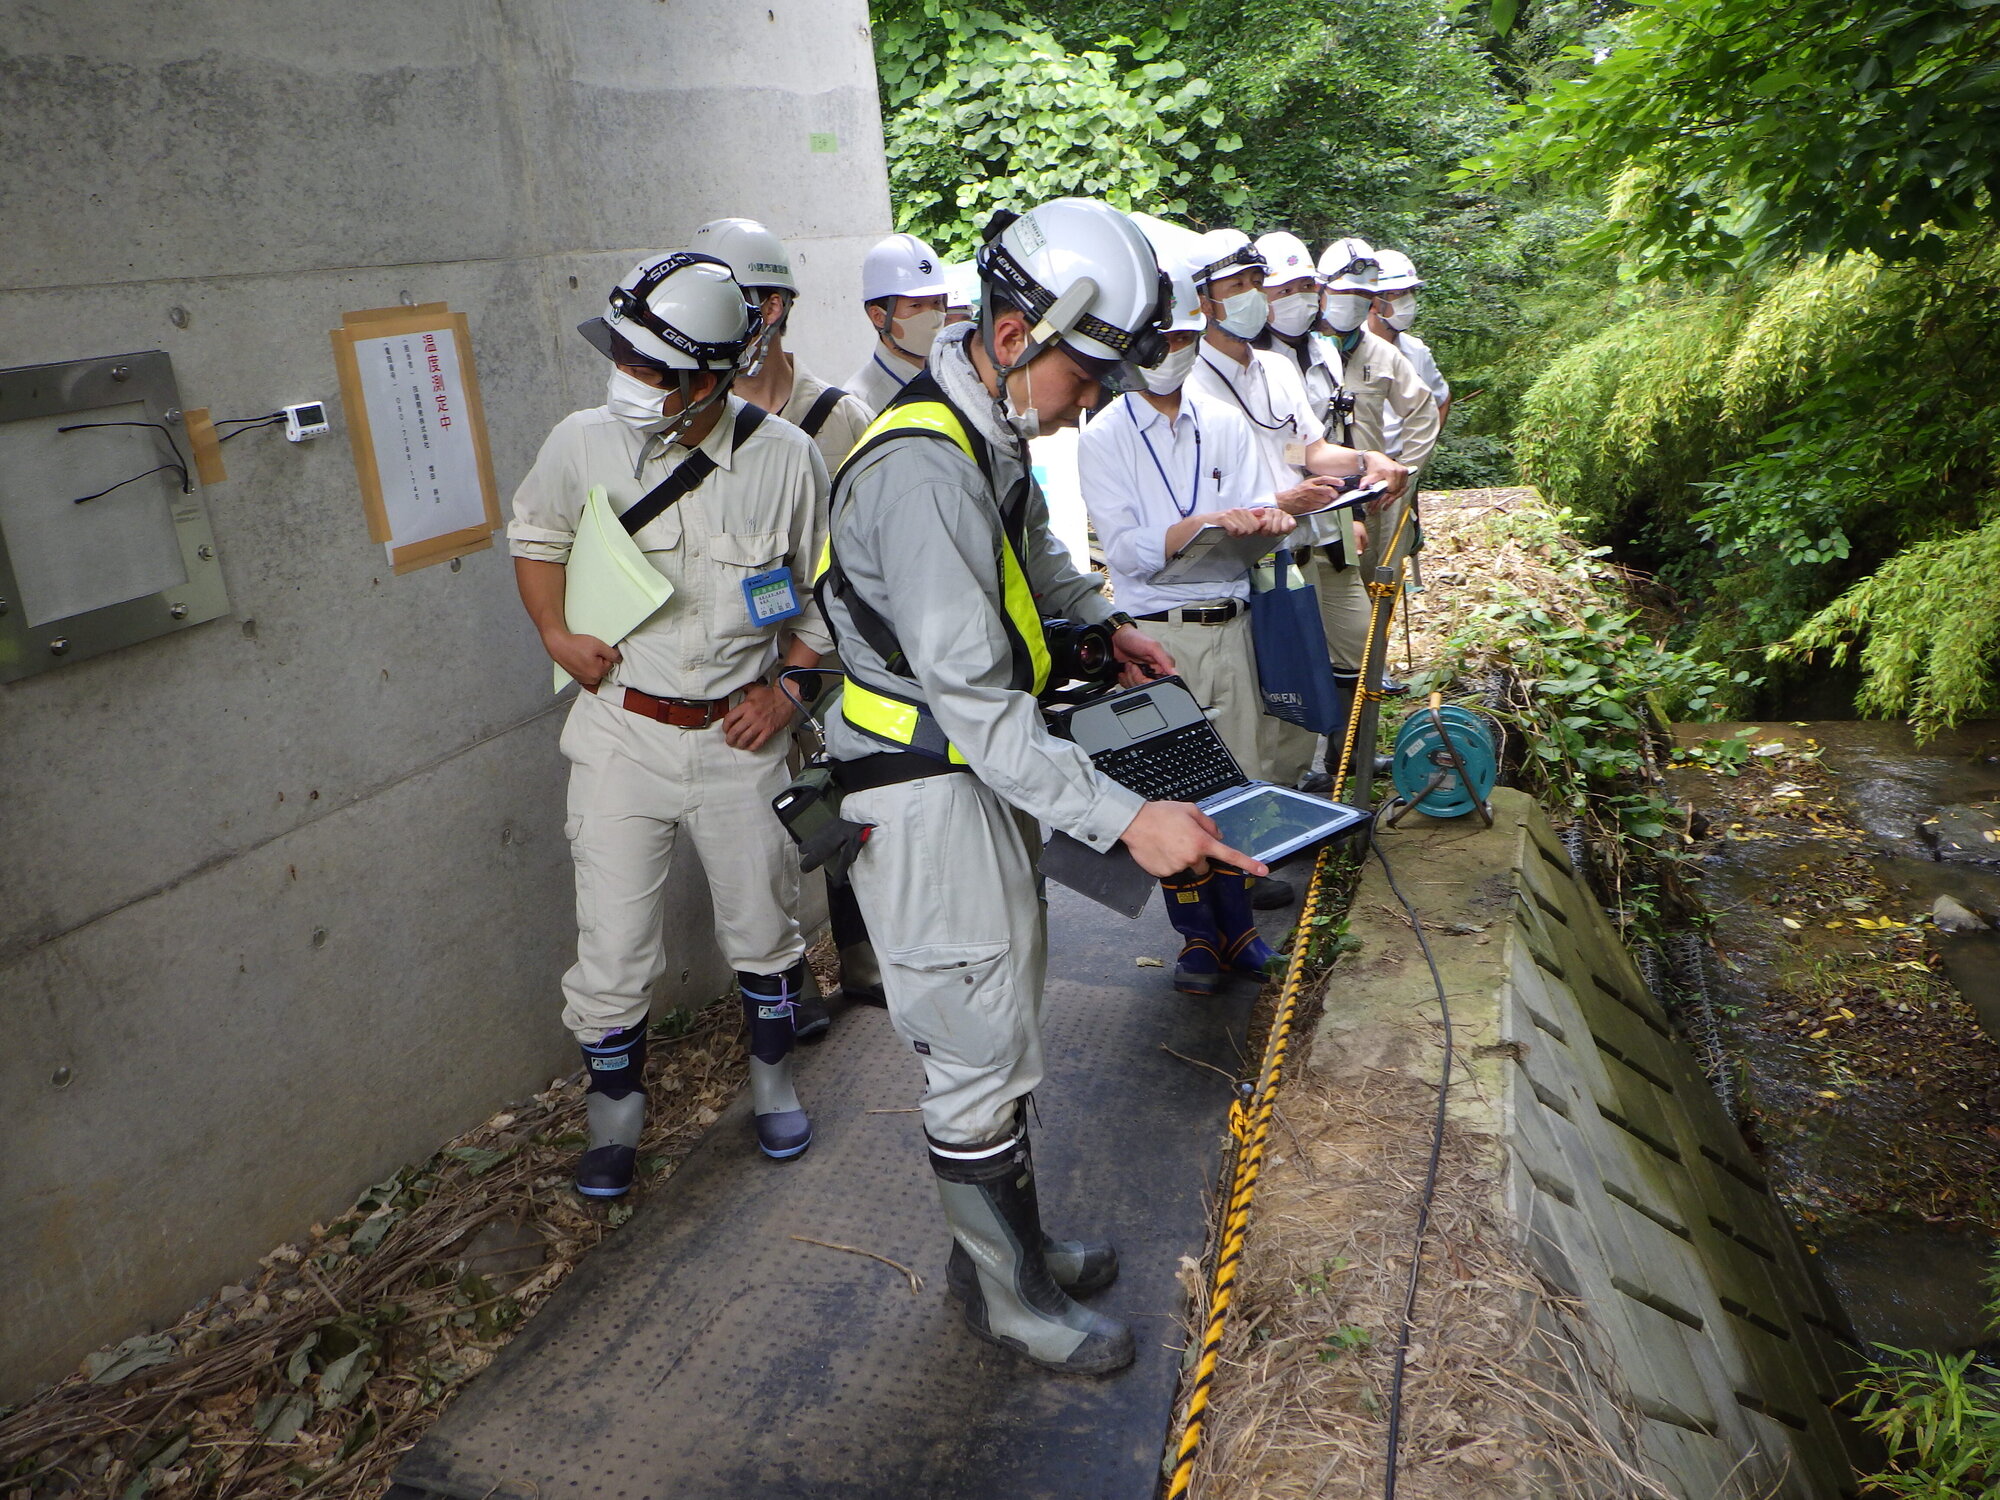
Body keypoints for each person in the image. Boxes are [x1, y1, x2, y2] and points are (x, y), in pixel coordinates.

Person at [820, 197, 1269, 1376]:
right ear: (1020, 332)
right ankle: (1008, 1301)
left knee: (1000, 1028)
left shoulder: (982, 432)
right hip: (924, 788)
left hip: (970, 777)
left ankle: (1011, 1252)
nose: (1099, 402)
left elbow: (1030, 557)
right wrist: (1129, 820)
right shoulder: (918, 470)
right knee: (972, 1046)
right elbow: (972, 703)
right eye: (1092, 372)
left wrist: (1099, 623)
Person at [508, 252, 831, 1191]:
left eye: (655, 371)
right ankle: (615, 1123)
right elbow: (538, 540)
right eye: (628, 358)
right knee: (611, 950)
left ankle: (772, 1086)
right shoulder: (580, 442)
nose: (631, 381)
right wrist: (556, 633)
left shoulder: (787, 462)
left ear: (715, 378)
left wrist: (790, 691)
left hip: (742, 739)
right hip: (620, 736)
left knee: (765, 932)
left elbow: (816, 610)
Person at [1077, 244, 1315, 996]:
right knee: (1175, 786)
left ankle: (1240, 931)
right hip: (1158, 634)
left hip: (1230, 622)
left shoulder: (1223, 423)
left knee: (1238, 781)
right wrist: (1196, 528)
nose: (1172, 354)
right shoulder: (1103, 436)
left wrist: (1251, 522)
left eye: (1183, 340)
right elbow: (1125, 552)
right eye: (1160, 343)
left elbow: (1255, 512)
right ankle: (1195, 940)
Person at [690, 216, 883, 1028]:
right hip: (743, 663)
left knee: (853, 800)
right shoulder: (694, 422)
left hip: (838, 655)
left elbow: (873, 543)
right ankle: (790, 984)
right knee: (766, 829)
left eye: (762, 300)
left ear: (782, 307)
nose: (752, 317)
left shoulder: (843, 416)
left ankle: (868, 960)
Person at [1181, 228, 1408, 791]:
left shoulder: (1276, 370)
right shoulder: (1187, 384)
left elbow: (1310, 450)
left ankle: (1309, 803)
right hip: (1242, 568)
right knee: (1262, 708)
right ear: (1202, 301)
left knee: (1300, 707)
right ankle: (1264, 835)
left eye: (1256, 282)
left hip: (1304, 552)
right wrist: (1280, 500)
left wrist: (1365, 459)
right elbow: (1197, 502)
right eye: (1236, 285)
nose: (1251, 296)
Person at [845, 232, 951, 416]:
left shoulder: (954, 381)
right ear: (878, 316)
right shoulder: (859, 402)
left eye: (937, 302)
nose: (933, 316)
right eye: (916, 305)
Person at [1368, 249, 1451, 445]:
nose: (1409, 300)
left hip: (1402, 468)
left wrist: (1417, 457)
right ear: (1374, 301)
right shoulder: (1343, 349)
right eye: (1399, 293)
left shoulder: (1416, 351)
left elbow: (1442, 400)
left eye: (1411, 292)